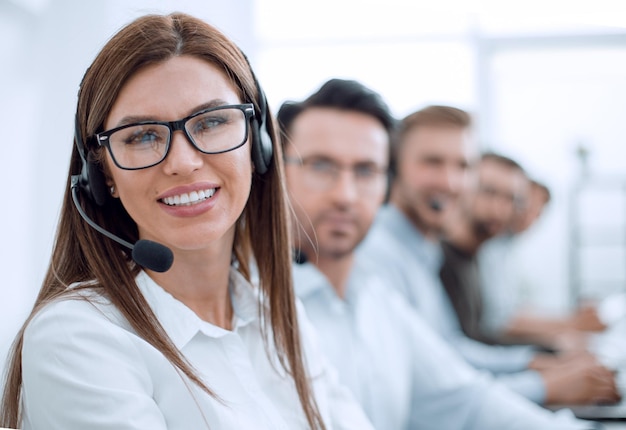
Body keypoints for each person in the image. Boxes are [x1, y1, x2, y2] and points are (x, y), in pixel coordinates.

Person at [0, 13, 373, 430]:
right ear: (103, 176)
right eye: (142, 135)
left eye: (212, 122)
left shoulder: (280, 319)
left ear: (258, 144)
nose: (182, 162)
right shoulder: (76, 338)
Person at [279, 78, 606, 429]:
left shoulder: (374, 294)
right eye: (320, 166)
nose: (345, 194)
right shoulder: (266, 304)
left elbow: (461, 395)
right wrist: (540, 373)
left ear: (383, 181)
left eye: (365, 170)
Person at [357, 105, 620, 406]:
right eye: (432, 163)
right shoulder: (378, 255)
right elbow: (425, 398)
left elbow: (447, 352)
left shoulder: (421, 253)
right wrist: (541, 384)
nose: (450, 182)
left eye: (463, 167)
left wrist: (532, 363)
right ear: (393, 167)